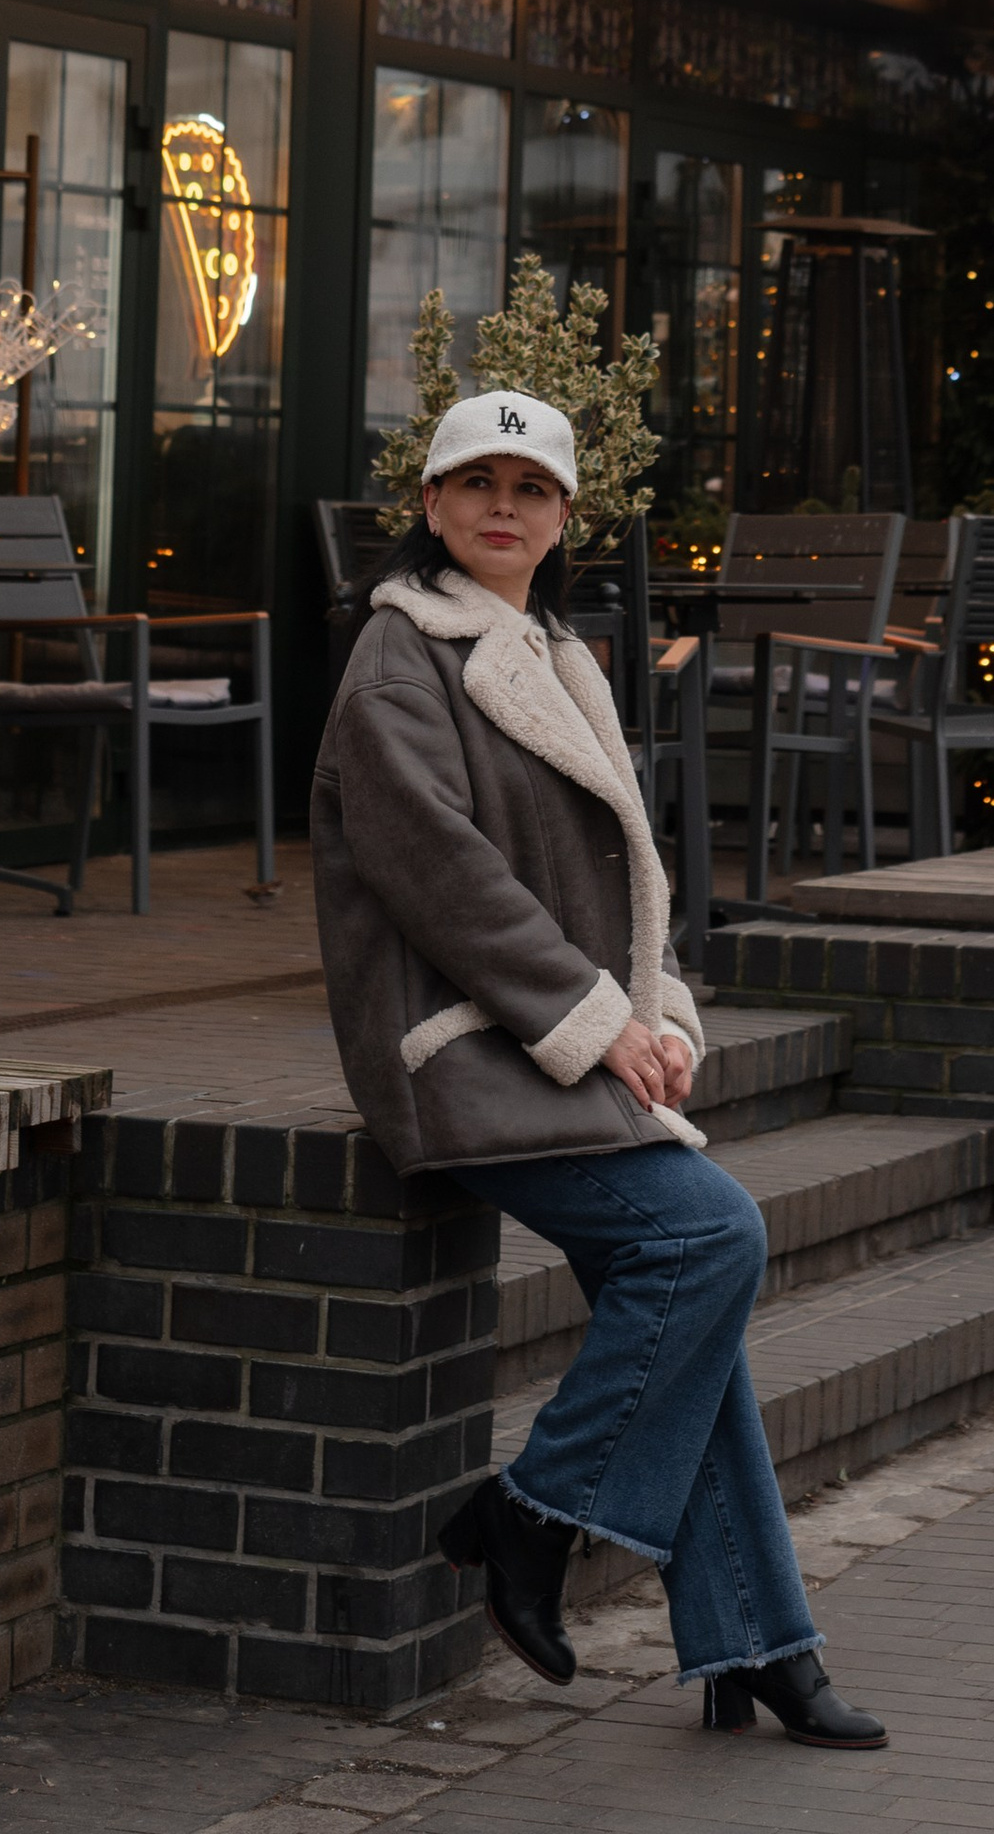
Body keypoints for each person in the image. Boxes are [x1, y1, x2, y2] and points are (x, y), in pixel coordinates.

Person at [312, 390, 887, 1746]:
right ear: (433, 504)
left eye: (533, 489)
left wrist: (659, 1009)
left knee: (694, 1324)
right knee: (708, 1240)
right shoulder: (401, 657)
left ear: (566, 518)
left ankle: (757, 1644)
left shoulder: (556, 650)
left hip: (549, 1038)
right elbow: (443, 878)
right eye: (478, 484)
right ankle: (531, 1516)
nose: (503, 507)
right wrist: (593, 1021)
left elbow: (621, 873)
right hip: (459, 1048)